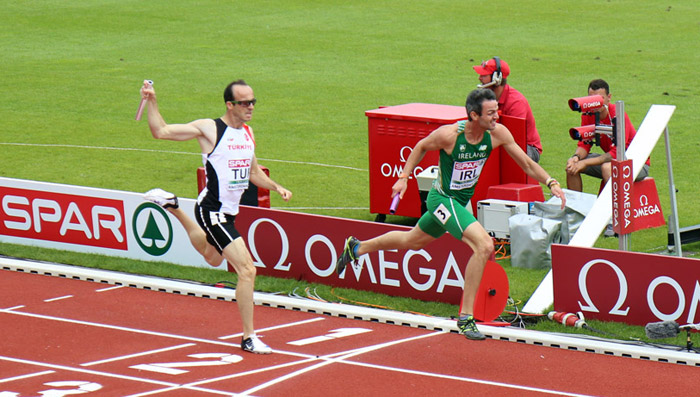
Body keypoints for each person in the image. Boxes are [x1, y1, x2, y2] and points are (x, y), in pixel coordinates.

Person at [335, 89, 566, 340]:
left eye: (497, 110)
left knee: (411, 241)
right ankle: (466, 317)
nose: (497, 116)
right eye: (490, 113)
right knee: (484, 245)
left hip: (459, 202)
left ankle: (356, 248)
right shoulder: (449, 136)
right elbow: (421, 146)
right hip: (441, 200)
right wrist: (403, 179)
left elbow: (527, 163)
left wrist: (550, 181)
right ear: (473, 115)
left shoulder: (498, 133)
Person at [139, 79, 292, 354]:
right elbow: (160, 131)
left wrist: (277, 186)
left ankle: (174, 207)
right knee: (247, 270)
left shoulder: (248, 132)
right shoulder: (210, 129)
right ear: (229, 104)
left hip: (228, 212)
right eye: (244, 102)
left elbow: (254, 173)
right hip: (212, 211)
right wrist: (152, 100)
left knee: (213, 258)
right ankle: (248, 337)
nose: (251, 107)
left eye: (253, 102)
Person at [565, 78, 650, 193]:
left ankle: (611, 210)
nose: (594, 103)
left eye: (599, 99)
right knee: (572, 166)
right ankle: (574, 207)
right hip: (612, 160)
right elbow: (584, 144)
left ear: (609, 97)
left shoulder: (618, 115)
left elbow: (616, 154)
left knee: (607, 167)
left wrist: (584, 163)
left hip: (637, 163)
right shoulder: (588, 114)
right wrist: (576, 158)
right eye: (591, 99)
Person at [473, 57, 542, 162]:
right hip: (502, 140)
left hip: (527, 147)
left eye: (484, 75)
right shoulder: (485, 98)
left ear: (497, 78)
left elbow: (515, 140)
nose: (479, 78)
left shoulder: (516, 103)